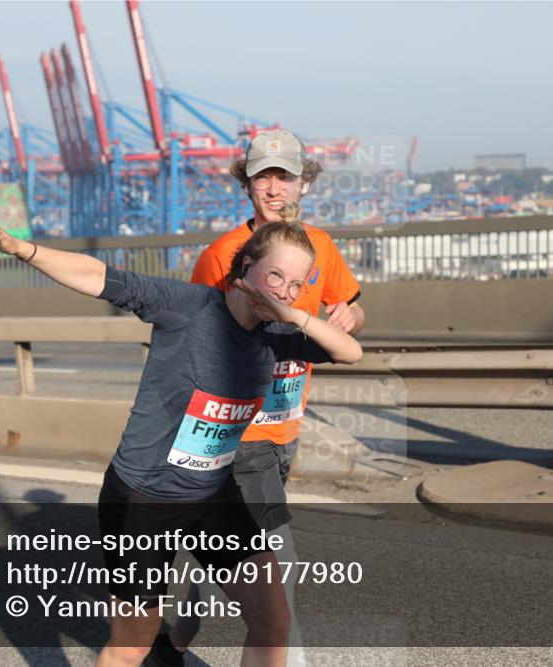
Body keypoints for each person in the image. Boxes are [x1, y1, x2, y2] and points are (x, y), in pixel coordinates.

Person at [0, 212, 362, 667]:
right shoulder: (189, 306)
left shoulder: (278, 334)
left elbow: (349, 350)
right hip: (143, 498)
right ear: (245, 267)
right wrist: (20, 249)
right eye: (275, 275)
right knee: (134, 643)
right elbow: (100, 276)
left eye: (295, 284)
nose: (283, 290)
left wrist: (290, 312)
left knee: (273, 621)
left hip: (212, 494)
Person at [159, 130, 366, 666]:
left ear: (305, 181)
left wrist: (347, 316)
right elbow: (195, 341)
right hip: (239, 436)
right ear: (246, 183)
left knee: (214, 575)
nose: (275, 188)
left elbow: (353, 307)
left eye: (286, 176)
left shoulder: (321, 246)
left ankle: (164, 647)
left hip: (284, 434)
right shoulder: (221, 255)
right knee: (277, 565)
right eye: (263, 176)